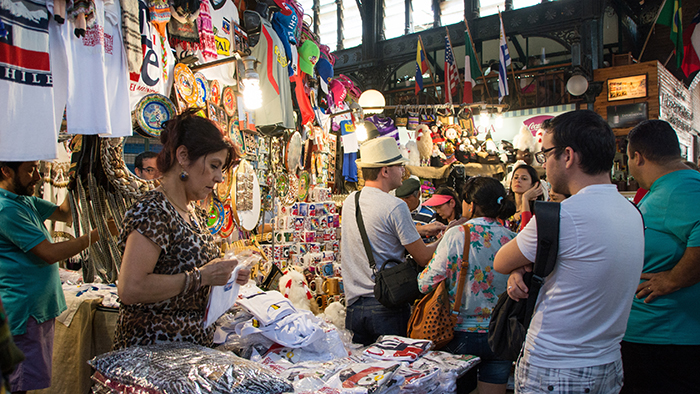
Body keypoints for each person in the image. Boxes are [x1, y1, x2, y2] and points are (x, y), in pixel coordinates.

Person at [493, 110, 644, 393]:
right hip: (608, 364)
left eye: (546, 154)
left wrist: (518, 266)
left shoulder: (561, 216)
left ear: (568, 156)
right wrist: (522, 267)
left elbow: (501, 261)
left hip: (556, 366)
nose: (545, 164)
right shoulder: (633, 212)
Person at [114, 110, 250, 350]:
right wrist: (202, 277)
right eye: (214, 165)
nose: (219, 178)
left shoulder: (193, 212)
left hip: (190, 352)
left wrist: (226, 275)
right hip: (152, 355)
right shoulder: (153, 210)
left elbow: (194, 273)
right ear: (184, 156)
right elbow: (130, 288)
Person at [0, 161, 115, 393]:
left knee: (28, 382)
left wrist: (78, 175)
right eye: (30, 170)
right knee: (17, 384)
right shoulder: (6, 209)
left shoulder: (25, 201)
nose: (38, 177)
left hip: (39, 309)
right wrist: (99, 233)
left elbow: (64, 212)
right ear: (5, 170)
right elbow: (49, 253)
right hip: (23, 311)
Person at [621, 120, 700, 394]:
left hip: (668, 339)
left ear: (636, 156)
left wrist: (673, 279)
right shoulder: (667, 187)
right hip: (655, 337)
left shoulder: (682, 187)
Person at [418, 176, 516, 394]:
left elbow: (425, 284)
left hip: (460, 332)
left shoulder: (457, 235)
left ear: (470, 205)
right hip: (500, 332)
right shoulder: (513, 238)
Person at [341, 137, 438, 346]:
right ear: (385, 171)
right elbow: (423, 257)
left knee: (361, 375)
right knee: (393, 372)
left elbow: (377, 231)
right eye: (399, 166)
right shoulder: (395, 206)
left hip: (354, 308)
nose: (403, 171)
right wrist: (449, 237)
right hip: (386, 306)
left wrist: (423, 229)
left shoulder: (351, 201)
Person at [395, 177, 445, 243]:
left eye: (407, 198)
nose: (404, 201)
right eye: (401, 198)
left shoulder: (431, 215)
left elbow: (435, 242)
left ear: (418, 194)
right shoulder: (396, 214)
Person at [507, 164, 544, 232]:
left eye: (524, 179)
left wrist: (525, 198)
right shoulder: (505, 207)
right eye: (515, 177)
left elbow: (526, 234)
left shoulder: (537, 212)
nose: (518, 180)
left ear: (533, 185)